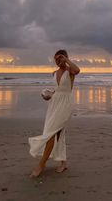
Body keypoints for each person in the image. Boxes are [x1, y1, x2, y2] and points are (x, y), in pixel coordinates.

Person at [29, 49, 80, 177]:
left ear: (66, 57)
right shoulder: (54, 73)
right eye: (56, 59)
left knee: (52, 133)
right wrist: (49, 95)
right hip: (54, 104)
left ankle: (41, 164)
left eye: (60, 58)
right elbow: (56, 91)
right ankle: (63, 163)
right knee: (56, 133)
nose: (58, 61)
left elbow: (78, 70)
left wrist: (66, 60)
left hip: (65, 104)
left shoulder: (70, 71)